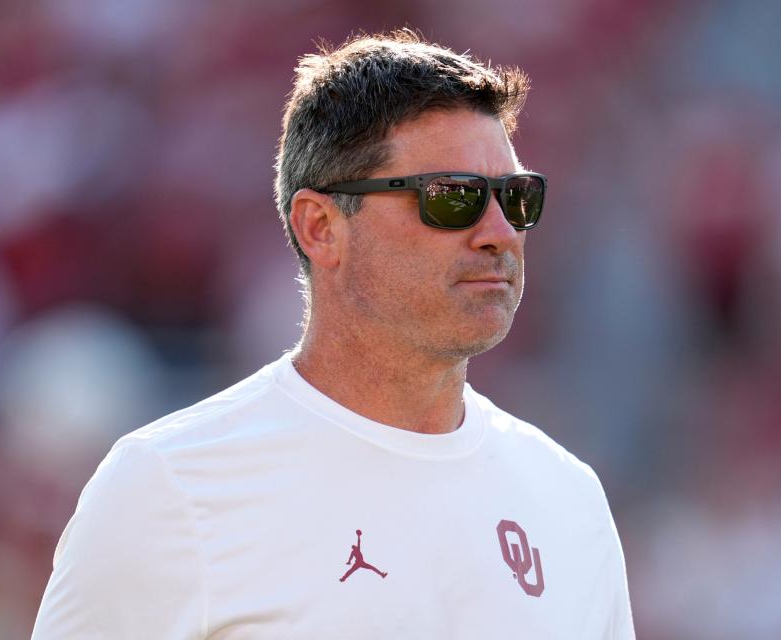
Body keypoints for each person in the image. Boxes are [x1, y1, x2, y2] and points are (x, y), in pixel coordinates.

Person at [32, 30, 635, 638]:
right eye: (453, 199)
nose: (500, 232)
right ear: (320, 227)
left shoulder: (568, 501)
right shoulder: (169, 489)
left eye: (516, 197)